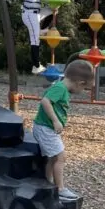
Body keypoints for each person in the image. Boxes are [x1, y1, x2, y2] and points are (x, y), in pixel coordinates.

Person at [30, 59, 95, 201]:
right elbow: (45, 101)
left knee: (52, 158)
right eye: (85, 88)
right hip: (46, 128)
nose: (82, 91)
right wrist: (55, 120)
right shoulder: (60, 88)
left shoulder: (61, 88)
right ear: (80, 83)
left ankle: (47, 183)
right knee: (60, 157)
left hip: (46, 128)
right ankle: (60, 189)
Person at [22, 0, 61, 75]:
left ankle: (42, 29)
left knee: (53, 10)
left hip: (34, 13)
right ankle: (36, 66)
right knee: (35, 40)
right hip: (30, 15)